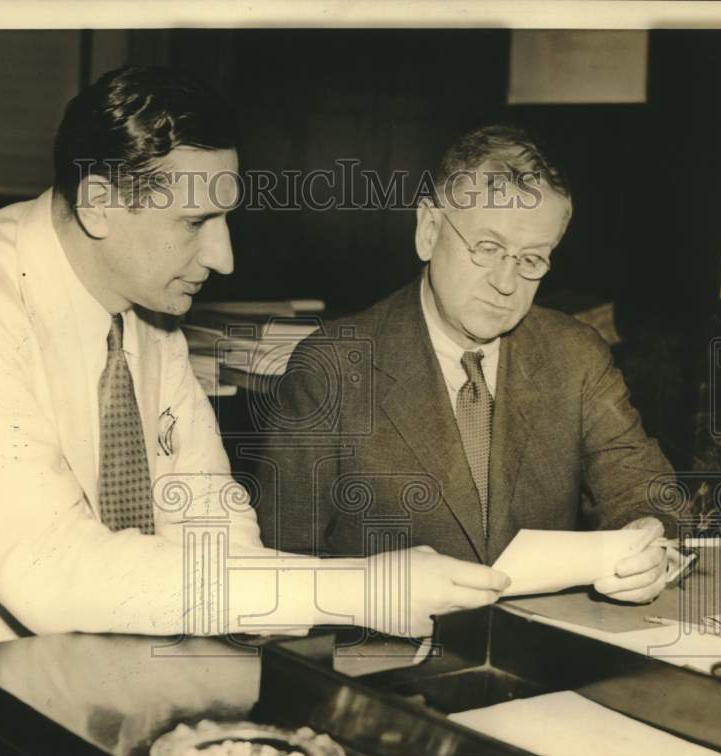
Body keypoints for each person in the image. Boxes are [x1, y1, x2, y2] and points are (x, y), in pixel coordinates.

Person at [0, 67, 508, 756]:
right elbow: (51, 570)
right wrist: (362, 587)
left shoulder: (151, 321)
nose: (225, 256)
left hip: (78, 707)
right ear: (98, 203)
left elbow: (211, 524)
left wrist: (343, 616)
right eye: (195, 221)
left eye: (225, 218)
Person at [254, 124, 677, 607]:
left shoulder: (574, 354)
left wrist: (650, 543)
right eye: (489, 248)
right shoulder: (332, 367)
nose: (506, 282)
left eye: (532, 259)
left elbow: (648, 494)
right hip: (384, 653)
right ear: (429, 231)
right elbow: (281, 565)